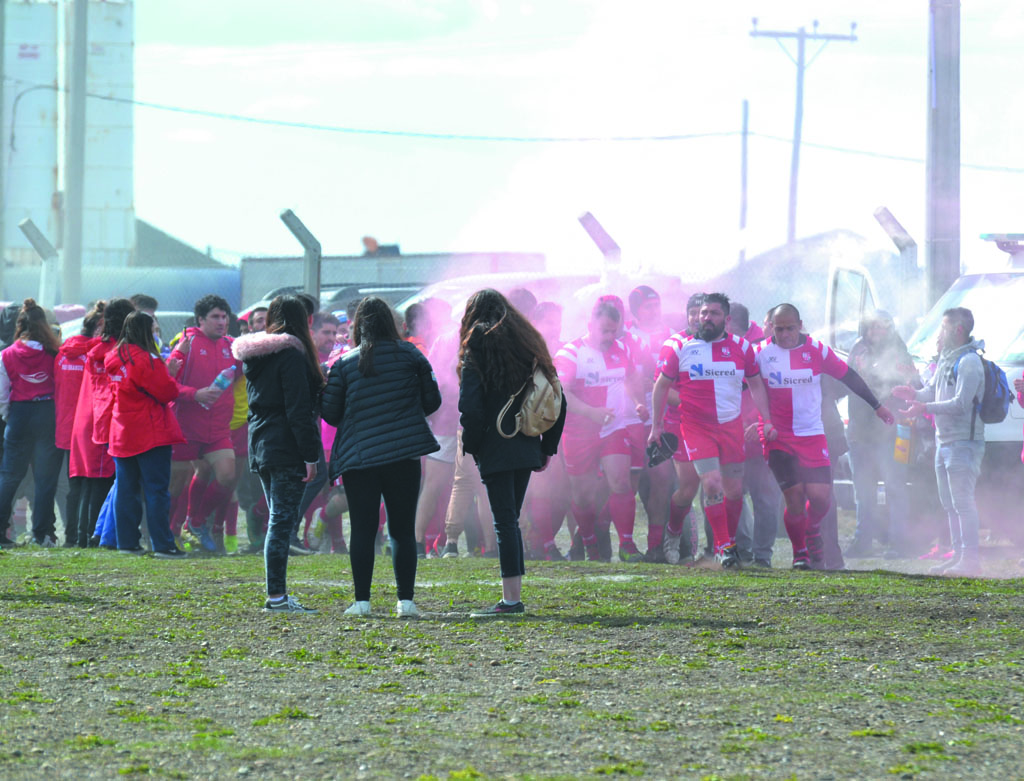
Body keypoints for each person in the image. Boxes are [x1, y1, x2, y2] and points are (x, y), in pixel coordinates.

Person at [322, 296, 441, 618]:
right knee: (402, 529)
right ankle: (406, 602)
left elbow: (330, 414)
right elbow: (433, 402)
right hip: (404, 454)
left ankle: (362, 602)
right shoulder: (412, 355)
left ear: (357, 326)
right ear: (392, 323)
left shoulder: (345, 364)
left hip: (359, 457)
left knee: (362, 529)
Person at [755, 303, 894, 569]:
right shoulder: (760, 353)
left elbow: (849, 377)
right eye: (779, 329)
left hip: (812, 433)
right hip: (778, 437)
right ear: (771, 328)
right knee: (794, 498)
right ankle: (800, 554)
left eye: (790, 329)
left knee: (821, 498)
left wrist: (877, 406)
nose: (784, 335)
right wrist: (757, 421)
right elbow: (747, 388)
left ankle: (811, 529)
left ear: (800, 326)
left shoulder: (816, 350)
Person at [458, 289, 567, 616]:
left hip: (495, 443)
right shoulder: (529, 344)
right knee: (511, 520)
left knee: (505, 522)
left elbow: (470, 407)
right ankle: (512, 596)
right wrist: (547, 446)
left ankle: (511, 600)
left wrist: (472, 446)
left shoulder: (476, 346)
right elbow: (558, 399)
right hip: (527, 441)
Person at [649, 293, 774, 569]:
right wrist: (656, 426)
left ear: (726, 319)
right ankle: (712, 544)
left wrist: (766, 420)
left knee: (734, 491)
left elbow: (756, 384)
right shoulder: (679, 346)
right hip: (695, 427)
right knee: (710, 483)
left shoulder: (742, 347)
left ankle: (724, 543)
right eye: (703, 312)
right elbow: (660, 386)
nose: (705, 318)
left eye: (713, 314)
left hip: (730, 427)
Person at [233, 295, 324, 612]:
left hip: (260, 443)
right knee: (282, 522)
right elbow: (298, 411)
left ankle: (278, 595)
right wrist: (310, 456)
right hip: (285, 446)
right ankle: (276, 597)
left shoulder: (256, 356)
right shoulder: (291, 355)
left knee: (278, 520)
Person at [893, 307, 985, 577]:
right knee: (949, 503)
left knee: (963, 502)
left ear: (958, 330)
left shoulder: (969, 361)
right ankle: (957, 556)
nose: (940, 333)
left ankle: (971, 559)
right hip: (944, 442)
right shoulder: (947, 357)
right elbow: (932, 390)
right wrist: (914, 394)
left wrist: (925, 408)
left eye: (943, 327)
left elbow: (960, 404)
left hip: (964, 443)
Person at [555, 298, 648, 562]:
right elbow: (561, 393)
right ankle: (589, 543)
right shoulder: (570, 353)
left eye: (613, 331)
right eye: (604, 331)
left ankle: (627, 545)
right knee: (583, 497)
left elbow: (631, 378)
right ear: (590, 326)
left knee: (621, 483)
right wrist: (590, 412)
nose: (609, 337)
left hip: (613, 428)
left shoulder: (621, 349)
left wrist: (638, 402)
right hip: (579, 434)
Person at [104, 311, 187, 557]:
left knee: (126, 489)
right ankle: (163, 544)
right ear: (146, 331)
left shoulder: (113, 357)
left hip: (122, 430)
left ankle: (127, 543)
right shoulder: (147, 360)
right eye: (153, 330)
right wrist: (170, 371)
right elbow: (168, 392)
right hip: (149, 432)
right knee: (156, 490)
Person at [167, 294, 241, 553]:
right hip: (186, 427)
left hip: (218, 428)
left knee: (228, 476)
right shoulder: (186, 344)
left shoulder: (232, 346)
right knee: (176, 484)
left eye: (224, 317)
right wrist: (194, 394)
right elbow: (167, 383)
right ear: (200, 319)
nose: (221, 322)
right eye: (215, 317)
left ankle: (196, 522)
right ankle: (167, 534)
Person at [844, 310, 919, 558]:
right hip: (859, 430)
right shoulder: (858, 349)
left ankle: (900, 541)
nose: (875, 331)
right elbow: (846, 380)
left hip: (890, 431)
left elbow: (913, 384)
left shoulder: (898, 351)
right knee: (863, 490)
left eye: (880, 327)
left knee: (894, 486)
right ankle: (863, 540)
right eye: (871, 326)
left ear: (889, 328)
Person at [0, 299, 65, 547]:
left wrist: (9, 416)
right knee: (45, 478)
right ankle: (42, 534)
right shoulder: (54, 353)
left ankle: (1, 531)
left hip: (19, 414)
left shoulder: (6, 354)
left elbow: (2, 394)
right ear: (44, 325)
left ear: (20, 325)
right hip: (47, 413)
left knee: (9, 476)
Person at [55, 301, 105, 547]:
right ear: (98, 327)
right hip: (88, 427)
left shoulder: (63, 353)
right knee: (89, 483)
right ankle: (85, 535)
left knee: (74, 485)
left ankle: (71, 537)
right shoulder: (95, 354)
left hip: (66, 427)